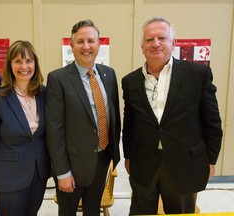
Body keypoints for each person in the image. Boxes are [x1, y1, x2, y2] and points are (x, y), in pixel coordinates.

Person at [122, 17, 223, 215]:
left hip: (183, 164)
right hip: (144, 163)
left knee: (180, 213)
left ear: (173, 43)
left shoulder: (197, 74)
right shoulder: (130, 81)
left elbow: (212, 121)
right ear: (142, 46)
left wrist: (210, 159)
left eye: (162, 38)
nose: (156, 43)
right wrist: (127, 156)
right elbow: (130, 122)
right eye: (150, 39)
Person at [46, 19, 121, 216]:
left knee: (92, 211)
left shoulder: (109, 74)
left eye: (91, 41)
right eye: (80, 42)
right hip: (72, 166)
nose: (86, 46)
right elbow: (54, 130)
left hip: (102, 159)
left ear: (98, 44)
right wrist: (62, 172)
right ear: (71, 46)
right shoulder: (58, 79)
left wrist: (114, 151)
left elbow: (114, 116)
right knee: (68, 212)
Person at [0, 40, 51, 216]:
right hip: (8, 180)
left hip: (38, 176)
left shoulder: (45, 94)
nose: (24, 66)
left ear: (35, 63)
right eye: (18, 61)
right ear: (9, 65)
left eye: (28, 61)